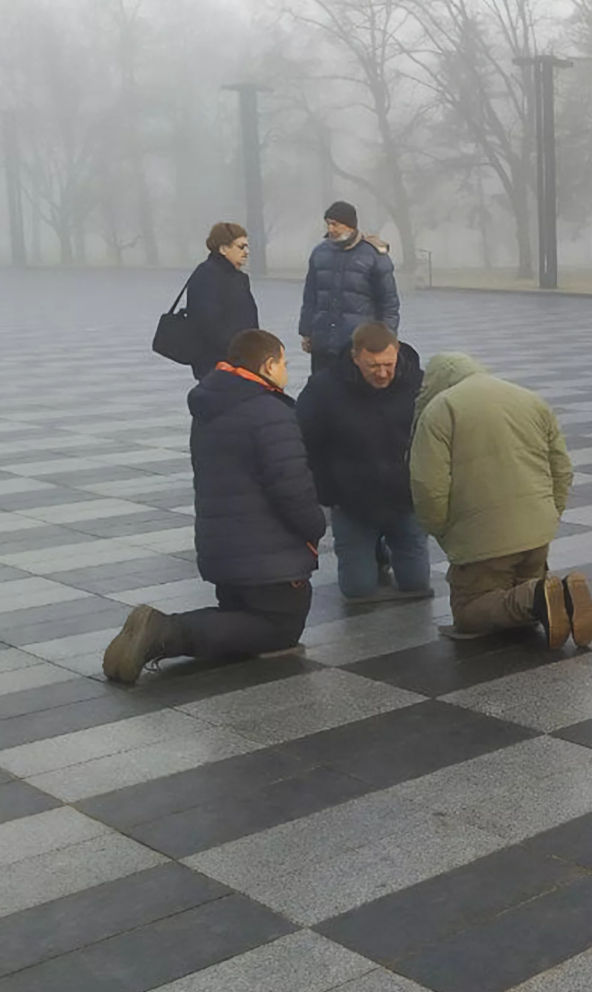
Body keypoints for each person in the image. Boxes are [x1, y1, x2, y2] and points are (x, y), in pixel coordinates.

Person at [102, 330, 324, 683]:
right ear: (268, 364)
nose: (286, 371)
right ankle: (162, 632)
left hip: (223, 550)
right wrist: (315, 528)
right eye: (283, 362)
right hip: (267, 556)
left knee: (240, 616)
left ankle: (159, 632)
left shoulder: (211, 404)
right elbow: (291, 486)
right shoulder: (269, 410)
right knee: (280, 628)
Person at [410, 353, 592, 647]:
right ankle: (555, 597)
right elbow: (561, 468)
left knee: (469, 612)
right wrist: (551, 514)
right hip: (537, 532)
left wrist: (441, 529)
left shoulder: (440, 409)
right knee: (519, 597)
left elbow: (427, 485)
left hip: (481, 539)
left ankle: (542, 596)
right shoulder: (530, 398)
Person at [297, 322, 430, 604]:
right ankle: (371, 551)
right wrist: (328, 493)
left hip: (405, 499)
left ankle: (384, 547)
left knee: (416, 583)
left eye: (388, 364)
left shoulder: (419, 384)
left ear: (398, 354)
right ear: (356, 357)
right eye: (373, 366)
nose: (382, 373)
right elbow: (306, 442)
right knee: (357, 590)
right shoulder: (324, 388)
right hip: (352, 502)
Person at [299, 200, 400, 375]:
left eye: (335, 224)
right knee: (321, 393)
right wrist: (306, 331)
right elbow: (310, 297)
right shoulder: (319, 253)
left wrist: (386, 340)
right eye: (328, 224)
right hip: (323, 343)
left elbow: (388, 303)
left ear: (350, 226)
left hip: (358, 345)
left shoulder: (374, 256)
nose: (330, 229)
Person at [183, 223, 259, 379]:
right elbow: (207, 323)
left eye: (247, 247)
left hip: (242, 362)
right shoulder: (207, 275)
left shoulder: (238, 277)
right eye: (241, 247)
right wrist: (238, 351)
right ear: (223, 249)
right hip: (218, 364)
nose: (247, 252)